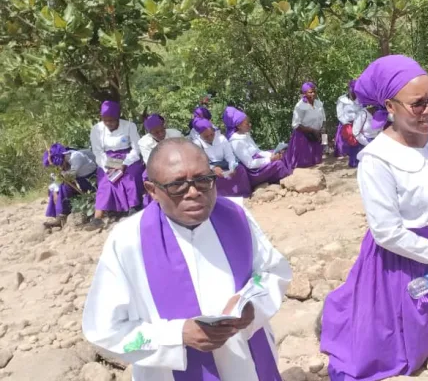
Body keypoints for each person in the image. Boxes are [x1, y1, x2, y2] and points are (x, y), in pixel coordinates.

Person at [320, 55, 428, 380]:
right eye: (417, 104)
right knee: (393, 346)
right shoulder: (377, 160)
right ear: (390, 107)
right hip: (404, 259)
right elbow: (388, 232)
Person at [82, 138, 291, 381]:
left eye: (203, 180)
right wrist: (177, 335)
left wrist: (253, 306)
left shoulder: (236, 216)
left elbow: (272, 272)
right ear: (152, 190)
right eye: (177, 185)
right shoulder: (128, 242)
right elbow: (104, 329)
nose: (193, 192)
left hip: (247, 366)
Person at [88, 101, 145, 230]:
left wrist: (124, 164)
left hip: (128, 157)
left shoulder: (129, 126)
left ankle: (133, 208)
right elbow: (97, 151)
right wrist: (108, 166)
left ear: (118, 117)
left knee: (131, 175)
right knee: (106, 181)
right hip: (107, 160)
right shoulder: (97, 129)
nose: (109, 123)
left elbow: (136, 149)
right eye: (105, 120)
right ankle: (98, 217)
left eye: (112, 120)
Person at [224, 107, 291, 189]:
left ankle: (286, 175)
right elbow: (250, 164)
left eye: (249, 122)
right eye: (247, 123)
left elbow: (258, 151)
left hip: (257, 161)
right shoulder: (236, 142)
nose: (250, 125)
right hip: (254, 172)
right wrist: (270, 159)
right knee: (278, 164)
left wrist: (272, 154)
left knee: (280, 153)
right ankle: (289, 182)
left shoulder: (245, 134)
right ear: (238, 126)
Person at [192, 118, 251, 198]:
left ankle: (243, 195)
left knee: (240, 169)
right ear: (200, 135)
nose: (210, 137)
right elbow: (199, 162)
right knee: (211, 178)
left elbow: (229, 156)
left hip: (224, 163)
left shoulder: (221, 139)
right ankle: (220, 198)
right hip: (209, 167)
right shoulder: (197, 144)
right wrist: (213, 168)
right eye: (206, 136)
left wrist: (232, 167)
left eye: (211, 134)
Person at [42, 143, 97, 228]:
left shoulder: (76, 157)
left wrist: (60, 175)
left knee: (64, 185)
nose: (59, 167)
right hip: (78, 182)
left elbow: (69, 175)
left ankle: (66, 214)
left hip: (91, 181)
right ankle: (60, 216)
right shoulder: (61, 165)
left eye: (60, 165)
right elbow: (56, 180)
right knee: (57, 189)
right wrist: (55, 191)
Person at [139, 114, 183, 206]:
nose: (160, 134)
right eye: (155, 133)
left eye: (162, 130)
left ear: (164, 126)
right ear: (149, 132)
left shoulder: (175, 134)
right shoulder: (144, 142)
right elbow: (149, 162)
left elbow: (183, 152)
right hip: (157, 167)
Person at [285, 82, 326, 169]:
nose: (313, 94)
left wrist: (322, 131)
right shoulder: (300, 106)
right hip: (304, 137)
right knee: (305, 164)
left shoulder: (319, 104)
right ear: (304, 93)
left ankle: (324, 150)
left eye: (314, 91)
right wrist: (312, 130)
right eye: (310, 92)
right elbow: (296, 125)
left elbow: (323, 118)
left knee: (316, 162)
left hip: (316, 135)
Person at [334, 79, 359, 159]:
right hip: (345, 125)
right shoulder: (341, 99)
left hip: (358, 124)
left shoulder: (361, 99)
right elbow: (340, 114)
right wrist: (347, 123)